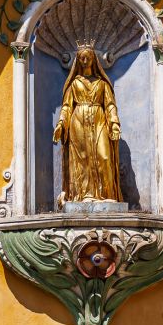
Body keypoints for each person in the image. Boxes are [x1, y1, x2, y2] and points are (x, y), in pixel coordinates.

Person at [54, 43, 122, 206]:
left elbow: (110, 105)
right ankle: (83, 195)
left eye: (88, 57)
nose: (85, 61)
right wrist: (61, 123)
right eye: (81, 58)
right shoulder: (74, 84)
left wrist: (114, 123)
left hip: (99, 120)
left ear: (94, 60)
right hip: (78, 121)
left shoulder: (102, 84)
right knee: (82, 159)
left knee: (104, 156)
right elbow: (67, 106)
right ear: (78, 60)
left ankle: (106, 195)